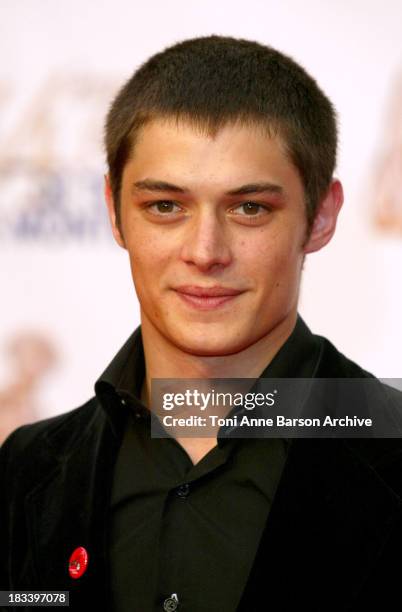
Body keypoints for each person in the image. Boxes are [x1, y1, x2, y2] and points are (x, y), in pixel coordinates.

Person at [1, 35, 401, 612]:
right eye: (166, 206)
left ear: (320, 217)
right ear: (114, 212)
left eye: (249, 208)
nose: (206, 251)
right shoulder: (25, 471)